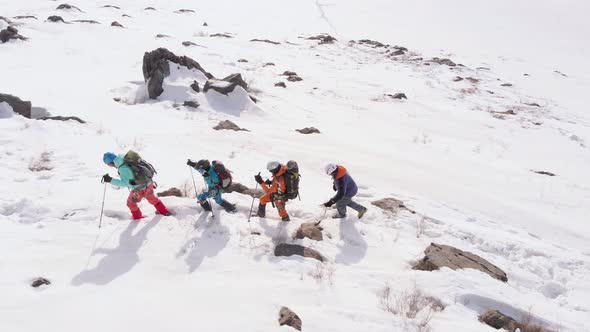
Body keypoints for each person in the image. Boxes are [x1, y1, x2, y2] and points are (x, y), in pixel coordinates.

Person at [102, 152, 170, 220]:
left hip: (138, 189)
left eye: (108, 164)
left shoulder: (123, 168)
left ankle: (138, 219)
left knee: (131, 203)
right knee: (152, 198)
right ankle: (164, 211)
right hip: (149, 183)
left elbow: (125, 183)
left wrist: (110, 180)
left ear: (111, 163)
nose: (109, 166)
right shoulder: (126, 159)